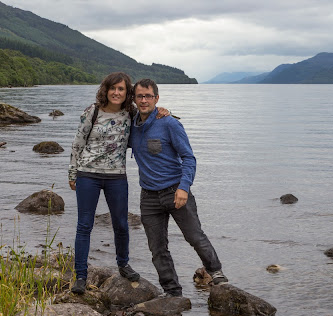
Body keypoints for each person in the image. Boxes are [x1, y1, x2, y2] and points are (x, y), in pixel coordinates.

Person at [68, 72, 169, 294]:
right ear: (106, 89)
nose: (116, 92)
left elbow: (149, 121)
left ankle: (123, 264)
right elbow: (77, 143)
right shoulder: (92, 111)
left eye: (121, 89)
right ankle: (81, 276)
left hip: (116, 176)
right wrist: (72, 173)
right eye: (113, 88)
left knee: (121, 224)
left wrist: (164, 112)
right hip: (88, 174)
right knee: (84, 225)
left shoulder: (130, 114)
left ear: (127, 93)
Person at [129, 78, 227, 297]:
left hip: (175, 191)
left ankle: (216, 273)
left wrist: (184, 187)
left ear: (156, 98)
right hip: (149, 197)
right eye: (139, 96)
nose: (144, 100)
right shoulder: (131, 125)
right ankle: (173, 292)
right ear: (134, 99)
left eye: (148, 96)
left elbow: (189, 158)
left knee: (194, 236)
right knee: (157, 248)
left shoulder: (170, 123)